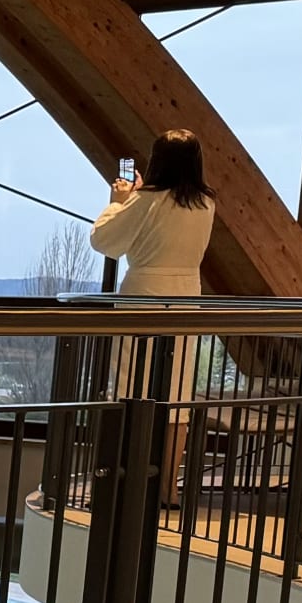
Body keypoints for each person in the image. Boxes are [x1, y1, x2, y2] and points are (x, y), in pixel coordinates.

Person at [91, 130, 217, 488]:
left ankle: (125, 479)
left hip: (143, 295)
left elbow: (105, 241)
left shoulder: (145, 199)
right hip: (186, 298)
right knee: (176, 392)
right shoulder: (205, 203)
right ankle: (167, 486)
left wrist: (118, 202)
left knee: (130, 386)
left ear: (156, 160)